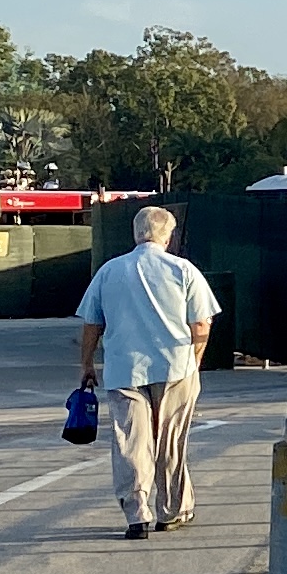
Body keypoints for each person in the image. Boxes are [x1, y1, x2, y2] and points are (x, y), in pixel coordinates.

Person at [75, 205, 221, 537]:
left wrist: (86, 364)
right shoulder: (183, 270)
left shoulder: (109, 271)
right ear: (167, 236)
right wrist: (195, 359)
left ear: (136, 233)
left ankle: (136, 513)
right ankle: (172, 510)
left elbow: (92, 323)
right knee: (171, 440)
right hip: (175, 366)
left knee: (130, 440)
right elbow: (201, 324)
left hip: (124, 368)